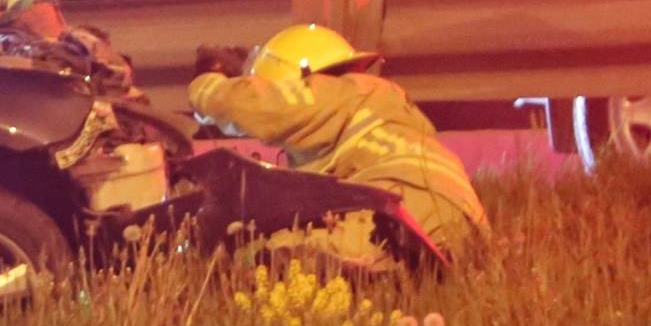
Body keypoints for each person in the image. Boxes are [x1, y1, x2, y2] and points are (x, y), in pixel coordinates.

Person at [191, 24, 488, 265]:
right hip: (451, 218)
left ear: (300, 79)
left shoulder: (340, 91)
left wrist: (209, 84)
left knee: (279, 260)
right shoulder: (364, 110)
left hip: (401, 203)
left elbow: (260, 106)